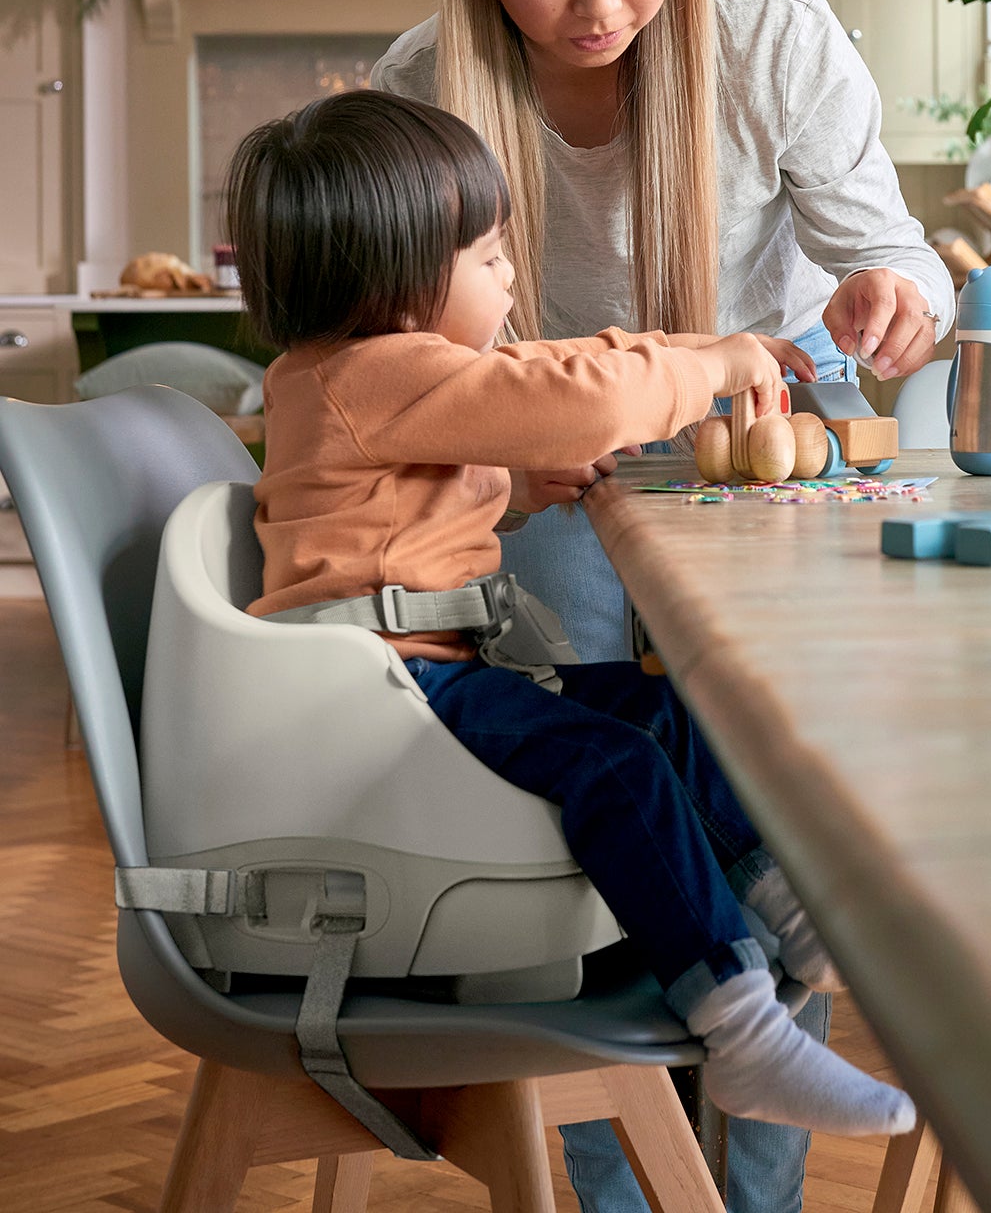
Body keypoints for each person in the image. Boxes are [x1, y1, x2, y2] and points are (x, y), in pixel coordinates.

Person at [371, 0, 949, 1212]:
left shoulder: (772, 34)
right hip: (536, 485)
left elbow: (886, 251)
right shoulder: (422, 83)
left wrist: (898, 293)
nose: (601, 2)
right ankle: (620, 1187)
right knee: (591, 820)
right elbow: (392, 373)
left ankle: (747, 1193)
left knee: (760, 780)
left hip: (734, 468)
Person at [224, 89, 914, 1143]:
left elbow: (391, 515)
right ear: (394, 279)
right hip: (385, 695)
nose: (508, 276)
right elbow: (579, 392)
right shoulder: (381, 369)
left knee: (662, 709)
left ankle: (784, 911)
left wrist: (520, 487)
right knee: (616, 762)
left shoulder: (345, 379)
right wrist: (723, 361)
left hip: (405, 678)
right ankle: (743, 1030)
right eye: (489, 255)